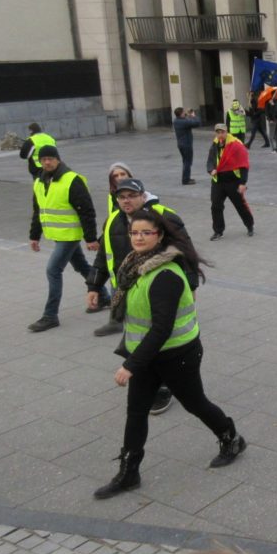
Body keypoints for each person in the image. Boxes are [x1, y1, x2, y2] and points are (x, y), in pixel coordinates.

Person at [94, 210, 246, 500]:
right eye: (134, 233)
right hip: (147, 354)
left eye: (145, 233)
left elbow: (162, 328)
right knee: (136, 411)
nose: (138, 238)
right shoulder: (135, 265)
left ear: (159, 236)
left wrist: (130, 364)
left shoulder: (165, 274)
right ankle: (129, 473)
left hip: (178, 354)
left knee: (195, 403)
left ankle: (231, 438)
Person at [89, 177, 194, 415]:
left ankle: (164, 386)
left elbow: (186, 249)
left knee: (159, 335)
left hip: (157, 287)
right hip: (126, 290)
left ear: (142, 196)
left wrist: (192, 285)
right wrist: (94, 286)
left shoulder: (164, 216)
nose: (126, 201)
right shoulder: (113, 221)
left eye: (131, 196)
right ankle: (147, 378)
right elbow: (103, 255)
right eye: (121, 197)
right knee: (138, 336)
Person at [27, 145, 106, 332]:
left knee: (53, 270)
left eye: (50, 158)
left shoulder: (72, 180)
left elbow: (86, 211)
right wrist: (34, 235)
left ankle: (50, 315)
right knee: (81, 266)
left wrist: (90, 238)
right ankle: (104, 296)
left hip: (69, 236)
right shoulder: (39, 181)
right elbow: (38, 210)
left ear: (58, 159)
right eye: (43, 159)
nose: (47, 162)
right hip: (57, 235)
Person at [207, 124, 254, 240]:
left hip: (233, 182)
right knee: (215, 206)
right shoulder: (215, 144)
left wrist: (243, 183)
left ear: (226, 132)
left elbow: (244, 165)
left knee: (240, 206)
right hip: (218, 181)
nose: (220, 135)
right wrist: (211, 169)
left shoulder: (236, 145)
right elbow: (211, 159)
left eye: (222, 132)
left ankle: (249, 225)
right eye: (217, 132)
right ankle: (218, 231)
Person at [172, 108, 200, 185]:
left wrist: (188, 115)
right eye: (184, 112)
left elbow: (187, 121)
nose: (185, 113)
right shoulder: (183, 122)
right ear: (181, 114)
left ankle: (186, 178)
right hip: (186, 144)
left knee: (185, 161)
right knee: (187, 162)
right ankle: (186, 180)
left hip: (181, 144)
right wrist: (193, 116)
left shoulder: (176, 121)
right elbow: (197, 123)